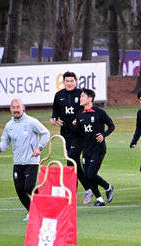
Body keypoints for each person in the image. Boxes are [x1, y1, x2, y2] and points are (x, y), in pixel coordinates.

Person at [0, 98, 50, 221]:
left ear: (23, 107)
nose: (16, 110)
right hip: (18, 163)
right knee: (20, 191)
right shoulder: (9, 125)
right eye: (13, 108)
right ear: (10, 109)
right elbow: (5, 141)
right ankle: (33, 212)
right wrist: (0, 148)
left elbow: (46, 133)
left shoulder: (31, 122)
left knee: (29, 188)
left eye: (18, 107)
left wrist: (39, 147)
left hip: (31, 161)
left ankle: (45, 202)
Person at [50, 71, 93, 204]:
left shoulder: (81, 94)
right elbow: (55, 111)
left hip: (79, 133)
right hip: (65, 132)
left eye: (72, 81)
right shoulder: (59, 95)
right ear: (63, 82)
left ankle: (76, 193)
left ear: (76, 81)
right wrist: (53, 119)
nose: (69, 83)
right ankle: (84, 190)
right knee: (72, 162)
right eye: (67, 81)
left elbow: (87, 108)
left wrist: (79, 119)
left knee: (72, 160)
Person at [72, 89, 115, 207]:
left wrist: (103, 135)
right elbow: (79, 134)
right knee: (87, 176)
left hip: (98, 149)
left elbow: (111, 126)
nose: (80, 98)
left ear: (90, 99)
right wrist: (72, 125)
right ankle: (100, 199)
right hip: (86, 149)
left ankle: (107, 186)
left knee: (91, 174)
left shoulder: (99, 112)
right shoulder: (80, 114)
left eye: (82, 96)